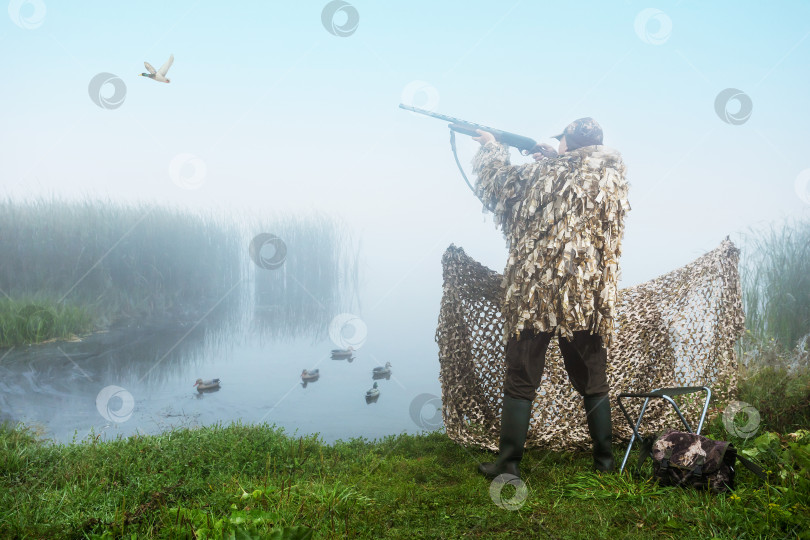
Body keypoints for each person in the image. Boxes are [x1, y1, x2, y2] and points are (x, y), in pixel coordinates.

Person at [470, 117, 630, 479]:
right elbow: (566, 186)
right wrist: (548, 158)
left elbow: (500, 185)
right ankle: (605, 464)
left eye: (560, 143)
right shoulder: (612, 174)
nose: (556, 146)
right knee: (593, 378)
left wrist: (491, 146)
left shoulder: (546, 175)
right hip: (585, 296)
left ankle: (508, 465)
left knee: (521, 377)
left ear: (569, 146)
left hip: (535, 296)